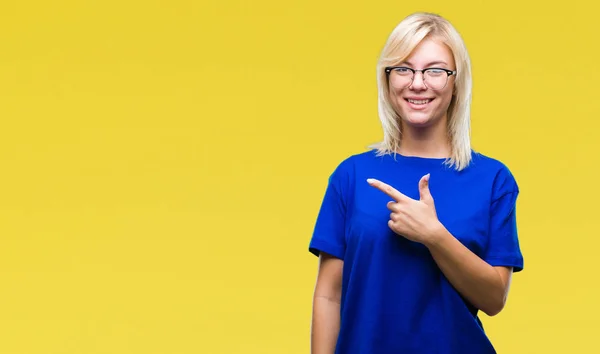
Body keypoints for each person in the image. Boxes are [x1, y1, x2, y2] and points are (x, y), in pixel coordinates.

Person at [308, 12, 524, 354]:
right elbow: (328, 295)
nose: (418, 83)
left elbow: (494, 298)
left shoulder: (493, 179)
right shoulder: (350, 176)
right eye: (404, 69)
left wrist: (434, 236)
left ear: (456, 82)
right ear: (388, 79)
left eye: (435, 70)